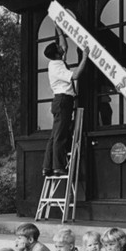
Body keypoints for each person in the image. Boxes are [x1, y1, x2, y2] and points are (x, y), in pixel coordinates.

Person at [42, 28, 90, 176]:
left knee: (55, 135)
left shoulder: (56, 62)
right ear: (57, 54)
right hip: (63, 100)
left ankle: (47, 167)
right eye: (59, 48)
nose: (62, 48)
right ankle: (58, 167)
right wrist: (85, 57)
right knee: (60, 136)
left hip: (60, 100)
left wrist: (59, 30)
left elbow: (65, 46)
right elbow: (75, 75)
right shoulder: (57, 67)